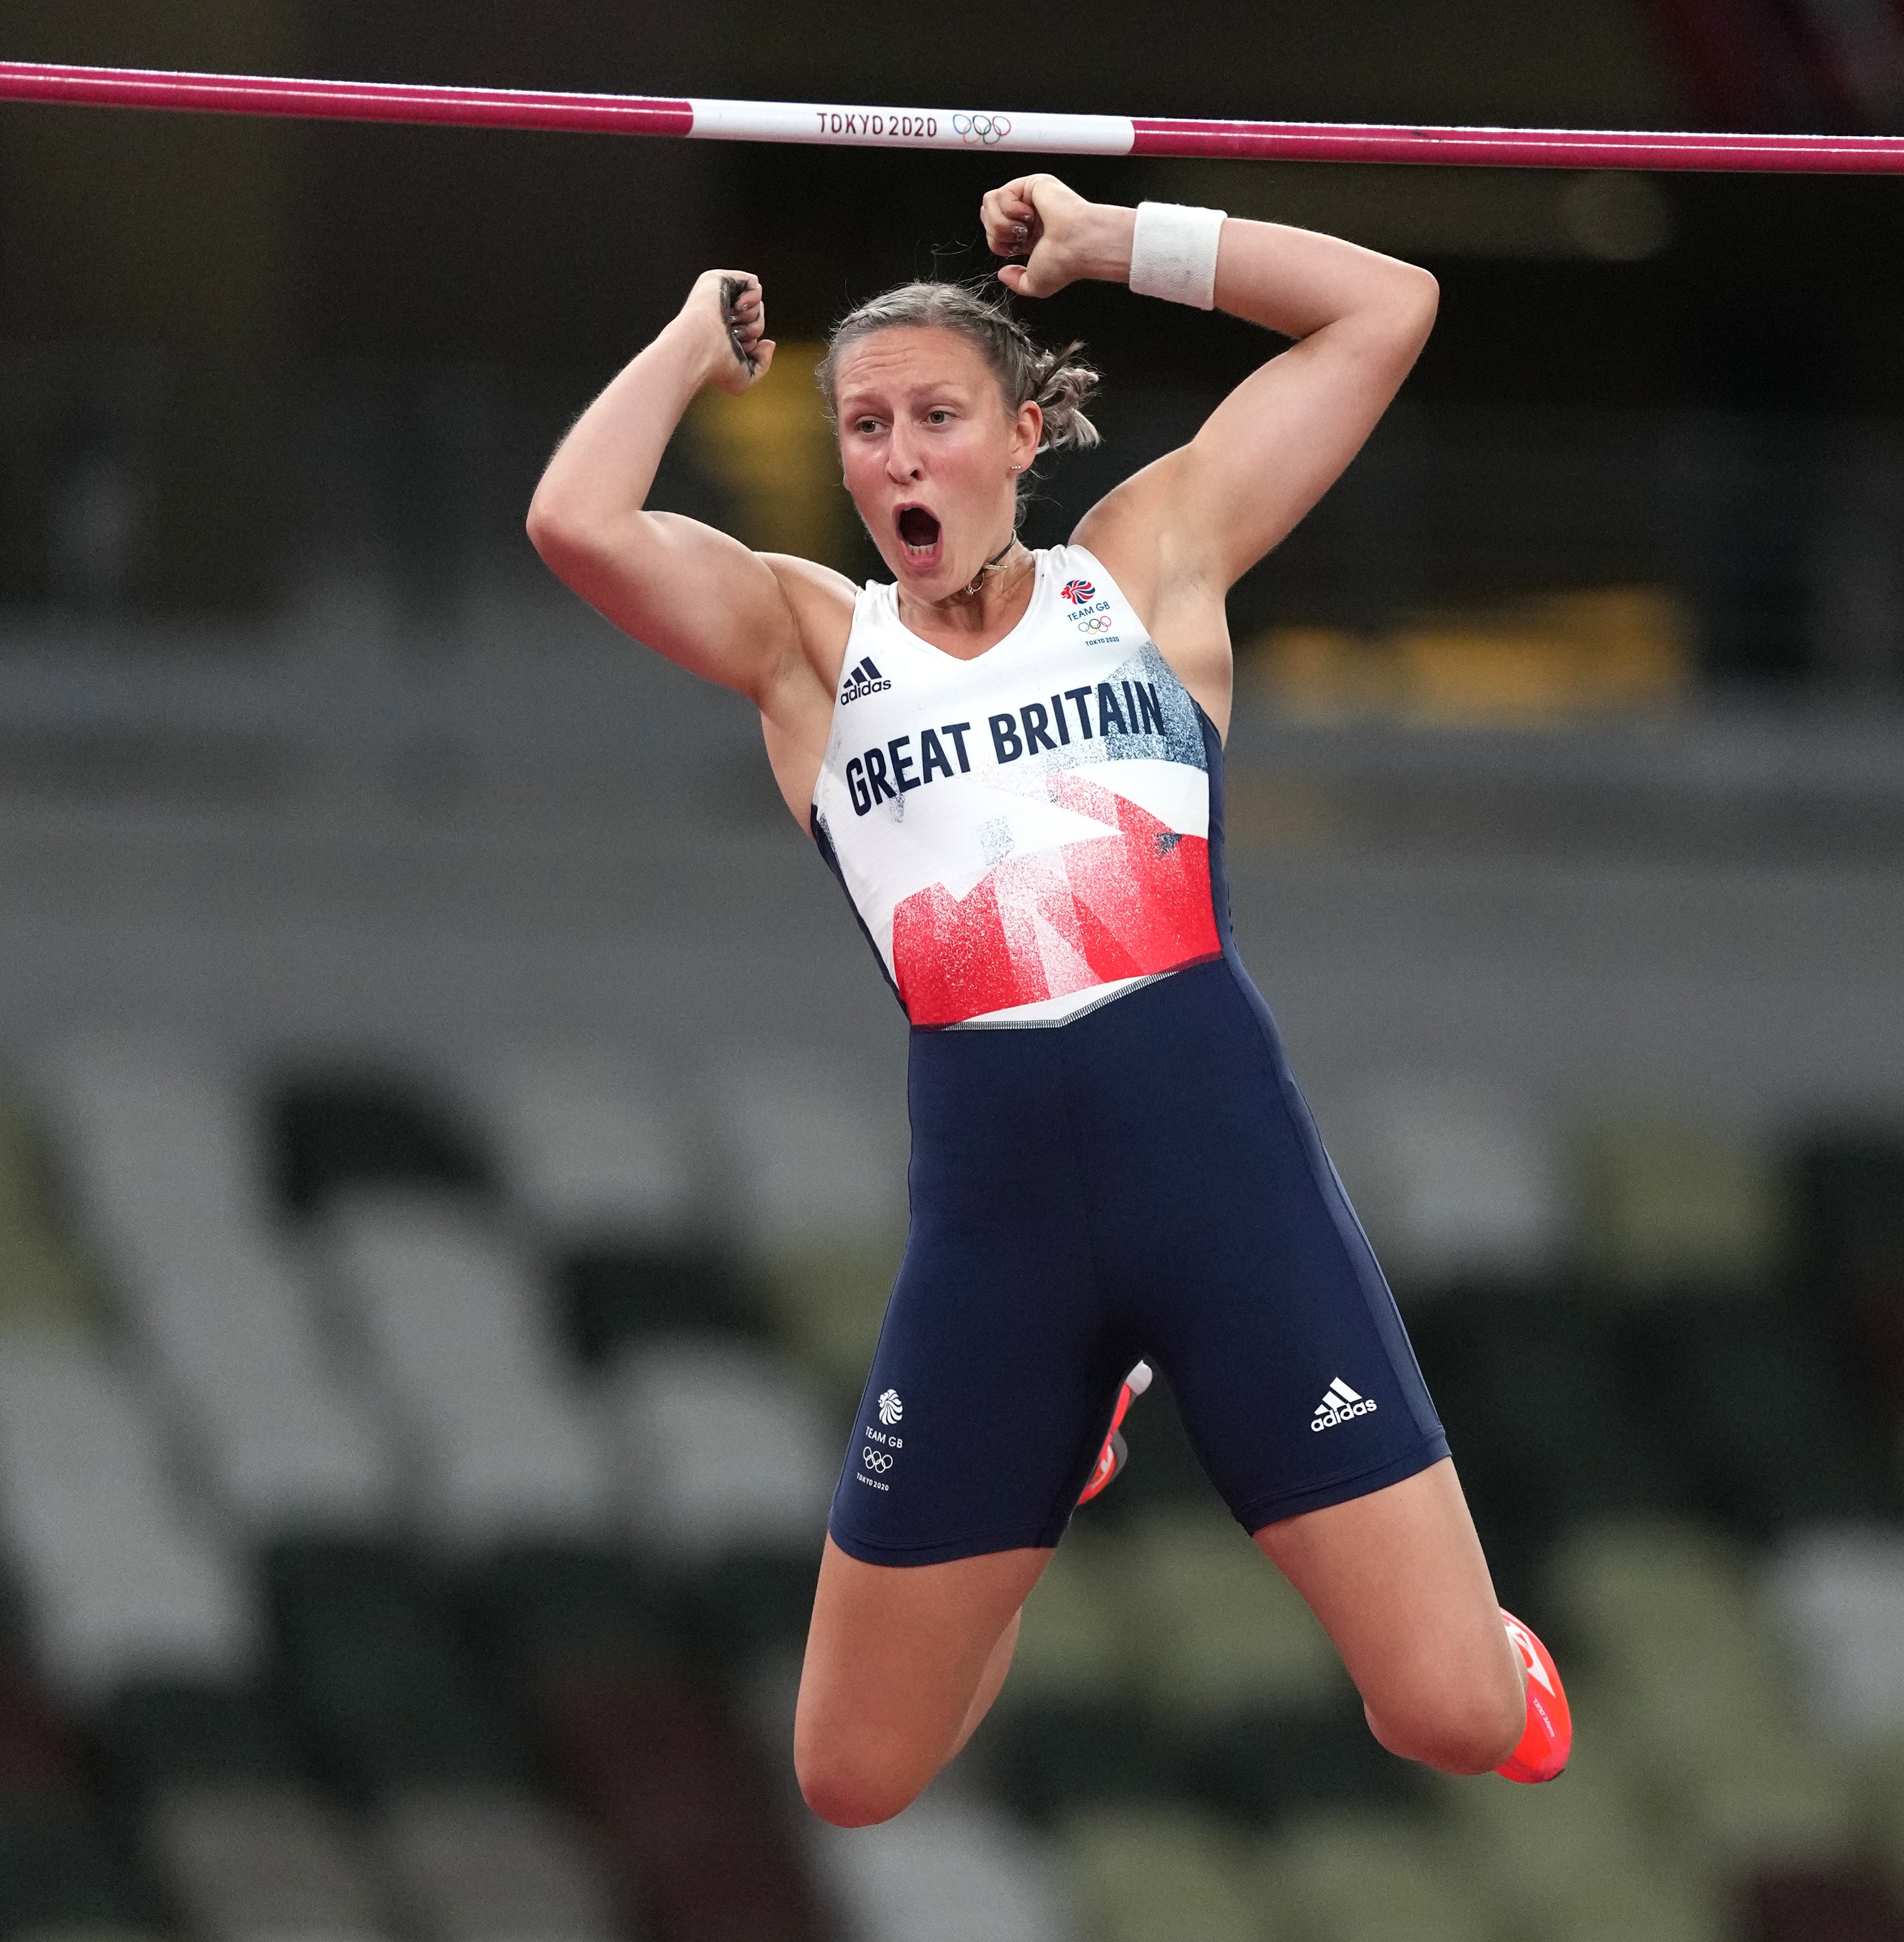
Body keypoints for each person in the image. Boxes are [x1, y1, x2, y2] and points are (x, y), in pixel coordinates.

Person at [526, 174, 1570, 1827]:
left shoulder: (1142, 570)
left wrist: (1108, 241)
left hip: (1217, 1176)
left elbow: (1386, 305)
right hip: (998, 1219)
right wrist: (676, 353)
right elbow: (576, 527)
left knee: (1450, 1713)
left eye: (936, 414)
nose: (894, 456)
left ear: (1026, 431)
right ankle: (1055, 1444)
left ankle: (1464, 1630)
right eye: (862, 426)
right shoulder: (812, 644)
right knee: (855, 1771)